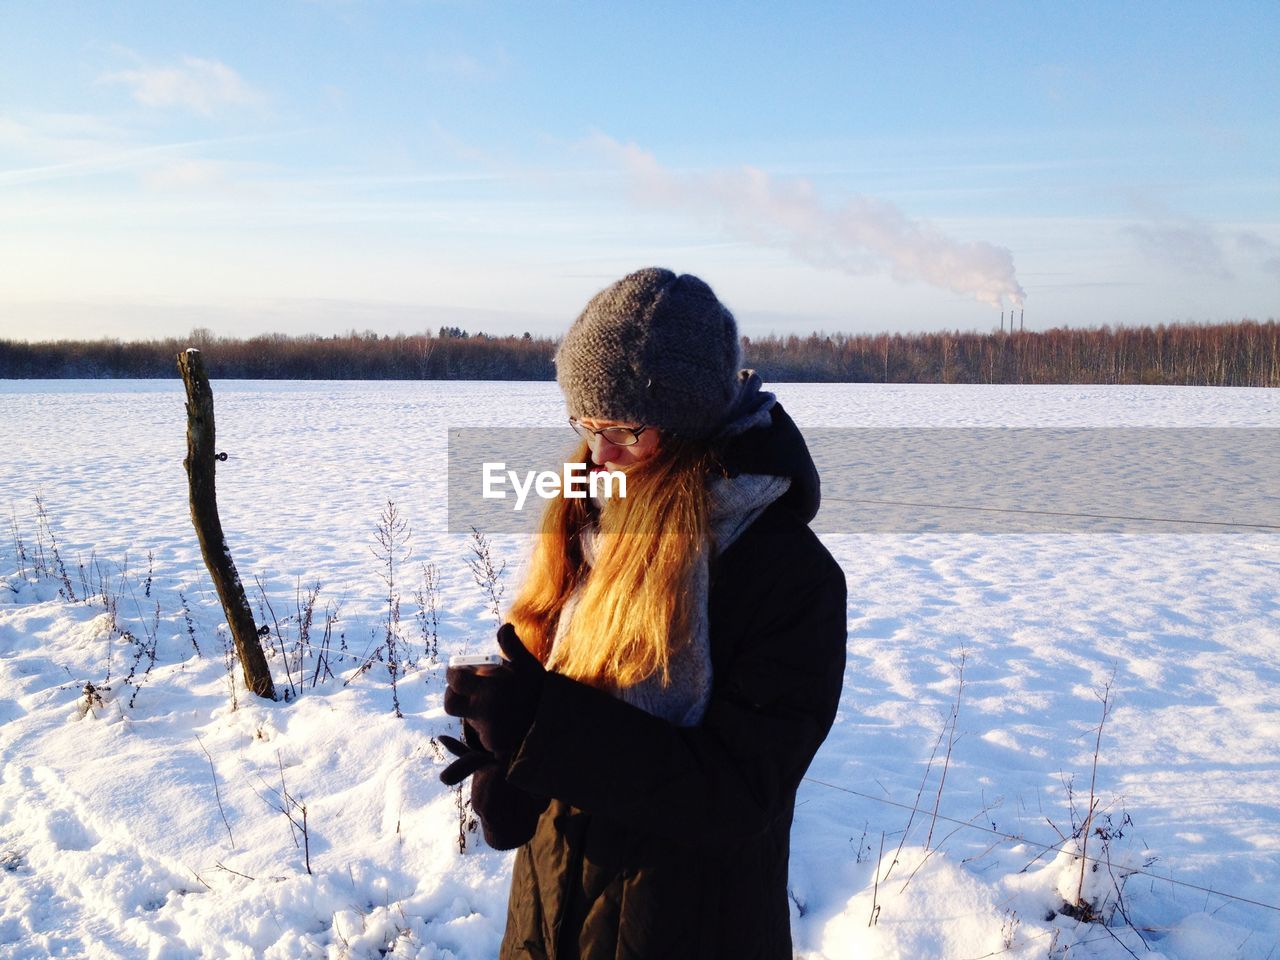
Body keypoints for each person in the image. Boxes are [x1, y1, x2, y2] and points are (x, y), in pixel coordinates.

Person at [440, 267, 847, 959]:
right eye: (584, 424)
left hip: (690, 930)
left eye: (623, 428)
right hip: (548, 919)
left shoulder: (786, 574)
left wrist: (545, 729)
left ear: (690, 424)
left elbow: (738, 792)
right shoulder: (588, 519)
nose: (598, 455)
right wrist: (508, 761)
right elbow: (569, 711)